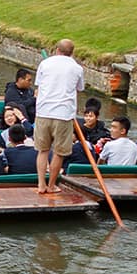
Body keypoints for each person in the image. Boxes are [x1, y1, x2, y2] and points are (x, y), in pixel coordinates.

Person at [32, 39, 85, 196]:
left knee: (42, 151)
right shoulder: (77, 68)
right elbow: (80, 88)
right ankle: (52, 185)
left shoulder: (45, 64)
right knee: (59, 152)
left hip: (43, 112)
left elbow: (39, 85)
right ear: (72, 52)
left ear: (57, 50)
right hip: (63, 114)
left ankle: (41, 184)